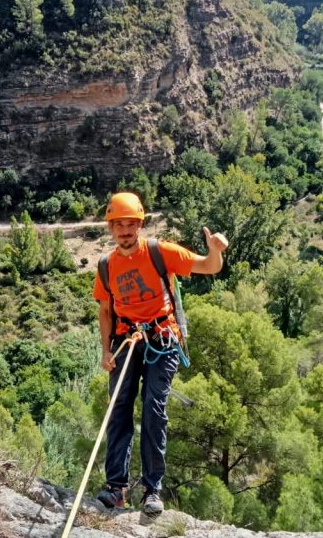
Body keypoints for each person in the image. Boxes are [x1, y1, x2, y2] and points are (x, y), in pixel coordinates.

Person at [93, 191, 228, 516]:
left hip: (162, 339)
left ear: (140, 225)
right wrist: (105, 351)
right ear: (111, 228)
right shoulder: (106, 266)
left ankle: (152, 489)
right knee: (119, 408)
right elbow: (106, 311)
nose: (125, 231)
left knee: (153, 408)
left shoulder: (160, 252)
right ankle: (116, 488)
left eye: (131, 224)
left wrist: (215, 251)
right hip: (126, 340)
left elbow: (209, 267)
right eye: (119, 225)